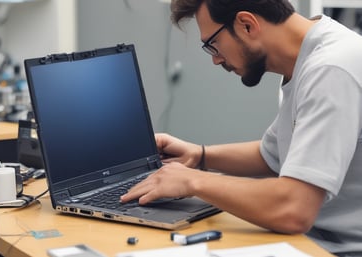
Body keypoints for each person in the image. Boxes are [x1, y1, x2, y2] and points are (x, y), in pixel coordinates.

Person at [121, 0, 362, 256]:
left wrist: (192, 180)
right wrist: (199, 155)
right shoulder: (310, 57)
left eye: (212, 44)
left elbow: (294, 209)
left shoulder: (330, 70)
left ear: (247, 24)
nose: (215, 59)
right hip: (315, 240)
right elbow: (274, 156)